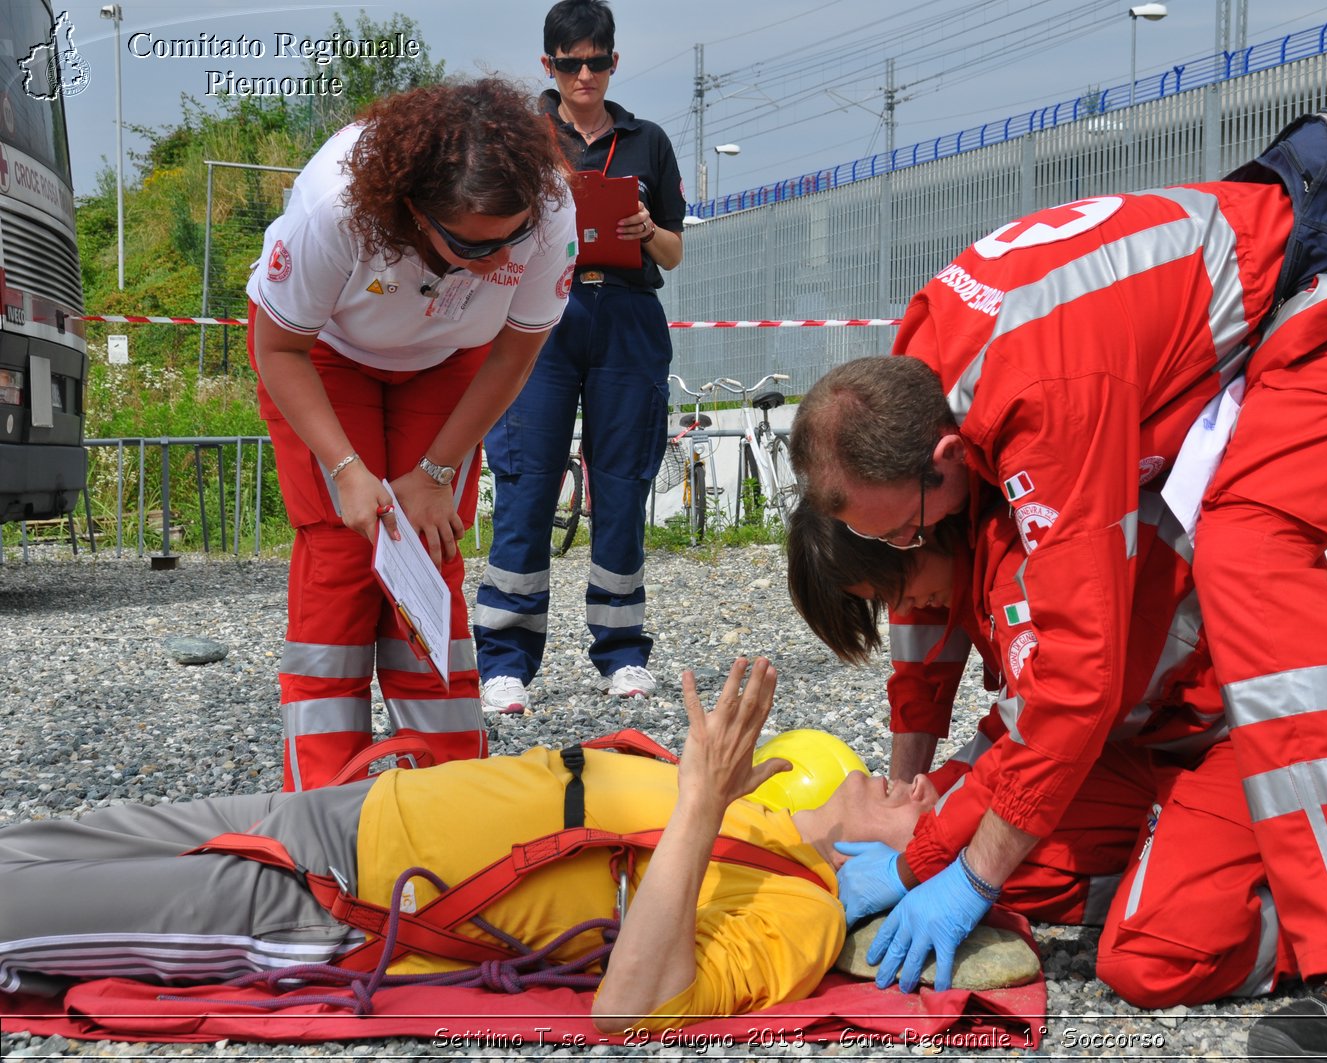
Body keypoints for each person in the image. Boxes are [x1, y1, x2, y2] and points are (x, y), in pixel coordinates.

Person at [787, 174, 1327, 1058]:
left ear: (943, 461)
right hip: (1161, 726)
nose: (908, 560)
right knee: (1036, 851)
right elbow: (966, 656)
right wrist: (918, 806)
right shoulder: (922, 379)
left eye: (906, 535)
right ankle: (1326, 855)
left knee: (1250, 552)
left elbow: (1078, 684)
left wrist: (941, 863)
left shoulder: (1038, 405)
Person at [785, 498, 1327, 1026]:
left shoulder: (1020, 556)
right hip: (1140, 741)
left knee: (1148, 960)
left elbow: (1036, 732)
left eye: (893, 590)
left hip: (1229, 738)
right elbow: (1004, 729)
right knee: (1007, 856)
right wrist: (927, 836)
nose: (904, 606)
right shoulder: (955, 547)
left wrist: (919, 857)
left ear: (911, 530)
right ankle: (1278, 852)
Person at [0, 659, 941, 1033]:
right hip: (337, 815)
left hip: (335, 902)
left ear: (909, 867)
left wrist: (695, 810)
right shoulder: (761, 794)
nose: (917, 782)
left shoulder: (802, 907)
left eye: (931, 814)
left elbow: (633, 1009)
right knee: (25, 847)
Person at [246, 79, 577, 791]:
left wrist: (436, 472)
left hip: (451, 359)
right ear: (411, 209)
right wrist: (344, 469)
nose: (494, 264)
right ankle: (325, 796)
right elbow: (279, 349)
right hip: (325, 355)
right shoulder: (335, 211)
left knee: (429, 544)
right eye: (467, 244)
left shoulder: (550, 211)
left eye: (510, 239)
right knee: (343, 547)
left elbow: (516, 352)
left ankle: (451, 788)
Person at [474, 0, 687, 711]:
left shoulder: (649, 140)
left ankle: (622, 654)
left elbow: (675, 252)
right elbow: (484, 231)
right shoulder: (522, 138)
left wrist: (646, 226)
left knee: (621, 486)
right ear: (550, 66)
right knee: (527, 483)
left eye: (597, 61)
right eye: (570, 63)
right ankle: (504, 661)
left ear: (614, 63)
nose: (584, 74)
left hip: (626, 312)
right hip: (542, 315)